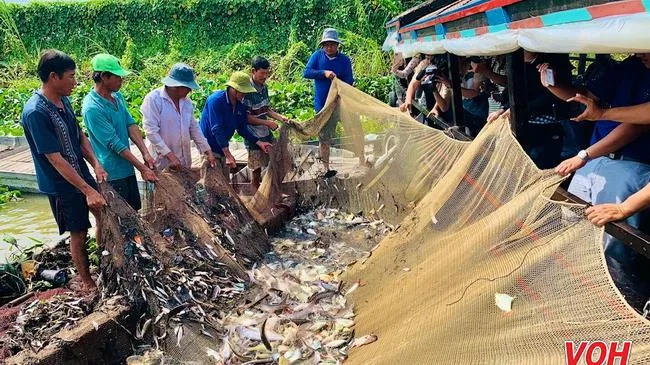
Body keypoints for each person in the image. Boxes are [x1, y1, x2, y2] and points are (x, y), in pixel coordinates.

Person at [21, 50, 106, 292]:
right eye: (71, 77)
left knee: (102, 215)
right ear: (53, 77)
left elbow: (79, 136)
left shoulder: (63, 100)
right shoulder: (36, 112)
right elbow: (55, 160)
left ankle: (104, 261)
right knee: (78, 230)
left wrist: (96, 164)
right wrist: (88, 190)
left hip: (79, 171)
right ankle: (86, 281)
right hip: (60, 182)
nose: (75, 82)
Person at [83, 54, 157, 211]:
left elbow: (130, 124)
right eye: (118, 77)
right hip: (111, 173)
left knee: (134, 209)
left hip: (127, 168)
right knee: (121, 218)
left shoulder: (117, 97)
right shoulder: (93, 108)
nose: (121, 81)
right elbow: (114, 144)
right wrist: (142, 168)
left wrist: (145, 153)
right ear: (104, 76)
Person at [141, 63, 216, 171]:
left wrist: (207, 150)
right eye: (188, 88)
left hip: (183, 161)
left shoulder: (187, 103)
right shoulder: (153, 100)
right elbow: (151, 132)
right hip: (161, 163)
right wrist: (170, 155)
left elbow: (194, 128)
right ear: (176, 86)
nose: (190, 91)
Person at [199, 71, 272, 180]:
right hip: (208, 146)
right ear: (233, 89)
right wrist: (228, 154)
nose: (244, 94)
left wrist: (259, 142)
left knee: (224, 182)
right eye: (242, 91)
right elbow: (216, 129)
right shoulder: (216, 101)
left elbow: (242, 129)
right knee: (211, 183)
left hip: (222, 147)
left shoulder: (240, 106)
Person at [303, 27, 354, 171]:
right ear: (323, 46)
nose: (329, 47)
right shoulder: (317, 56)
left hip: (340, 103)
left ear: (337, 45)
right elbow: (306, 72)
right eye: (326, 45)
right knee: (324, 136)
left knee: (354, 130)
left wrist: (339, 88)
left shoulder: (344, 60)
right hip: (323, 105)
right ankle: (325, 167)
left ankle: (361, 159)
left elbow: (349, 80)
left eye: (332, 44)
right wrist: (323, 73)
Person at [243, 56, 292, 191]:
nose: (265, 76)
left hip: (265, 132)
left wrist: (280, 118)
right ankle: (256, 198)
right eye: (262, 73)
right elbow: (247, 118)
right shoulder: (247, 91)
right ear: (253, 71)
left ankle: (273, 190)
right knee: (256, 169)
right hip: (253, 135)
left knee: (276, 159)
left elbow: (266, 109)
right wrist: (268, 123)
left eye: (267, 73)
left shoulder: (264, 88)